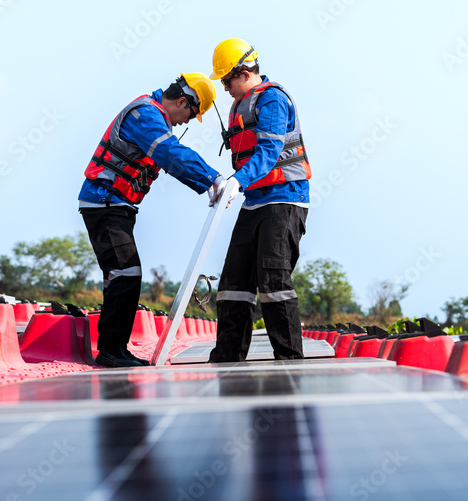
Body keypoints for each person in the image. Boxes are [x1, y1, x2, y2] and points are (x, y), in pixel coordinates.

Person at [79, 72, 222, 368]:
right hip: (104, 203)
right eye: (190, 114)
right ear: (182, 101)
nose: (185, 122)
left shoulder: (152, 116)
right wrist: (212, 179)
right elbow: (171, 153)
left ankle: (115, 348)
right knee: (125, 272)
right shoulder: (145, 115)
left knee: (125, 272)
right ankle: (110, 350)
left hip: (119, 205)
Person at [207, 39, 312, 363]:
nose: (224, 88)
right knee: (233, 281)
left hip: (284, 198)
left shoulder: (272, 100)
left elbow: (268, 152)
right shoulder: (241, 103)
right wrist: (228, 184)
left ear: (242, 73)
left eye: (226, 80)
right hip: (254, 200)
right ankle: (227, 355)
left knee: (272, 276)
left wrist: (237, 180)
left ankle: (289, 358)